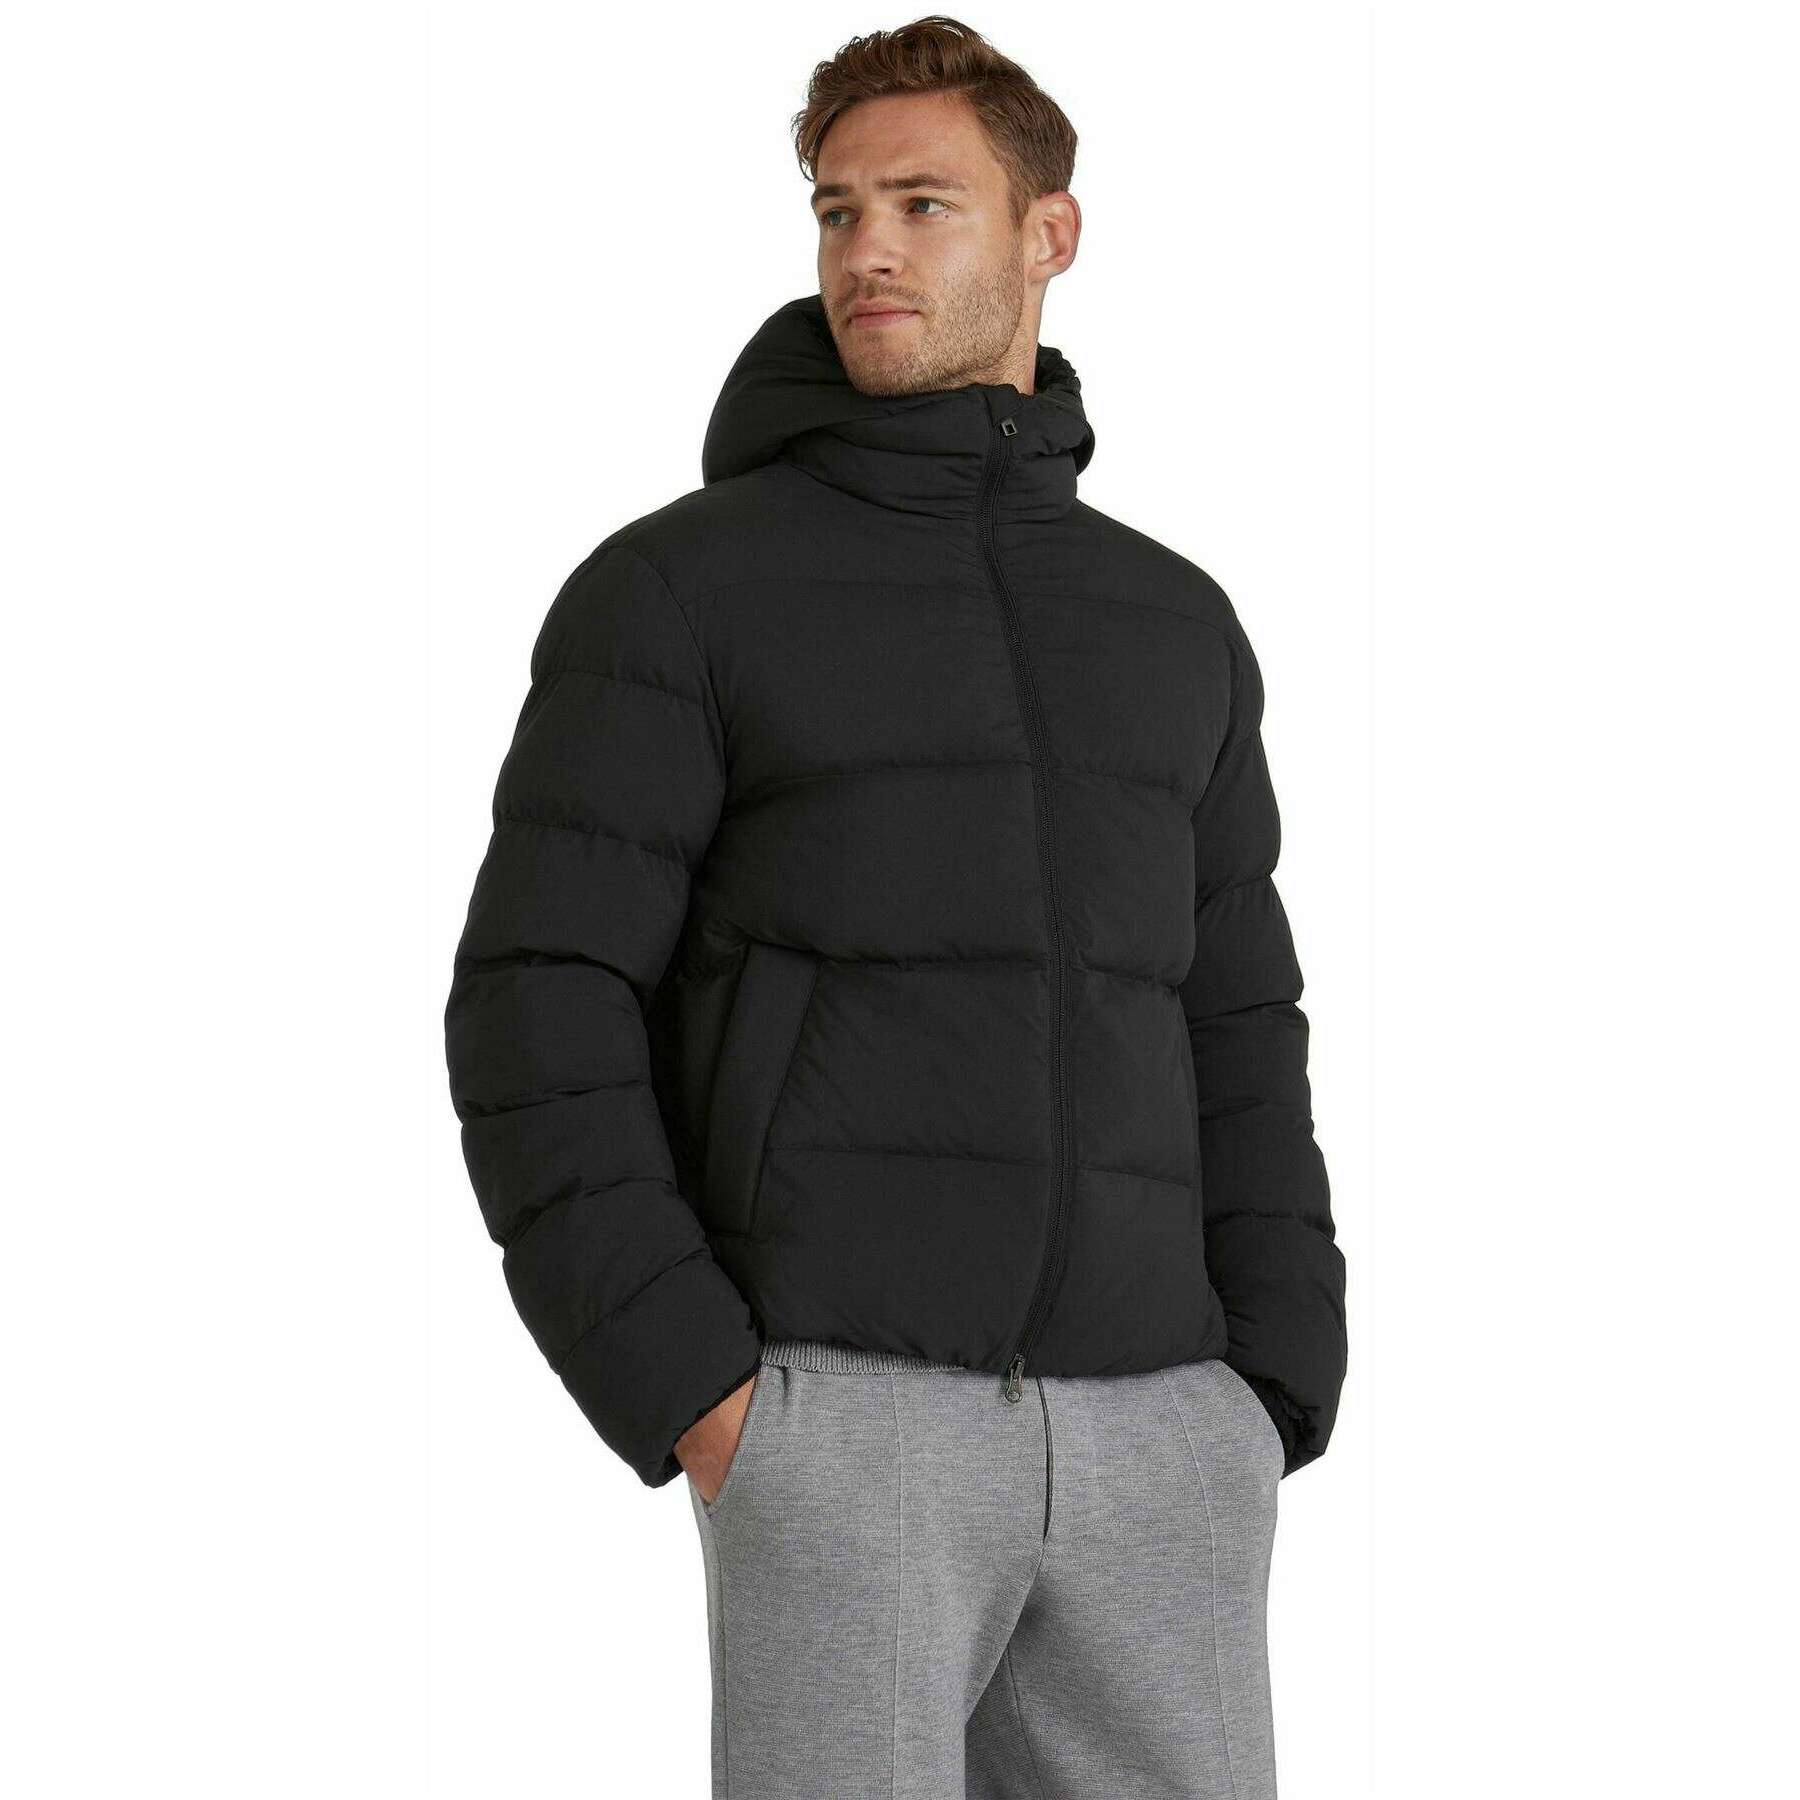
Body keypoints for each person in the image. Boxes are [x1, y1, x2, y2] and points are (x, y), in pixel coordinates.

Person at [445, 15, 1347, 1796]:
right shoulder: (681, 593)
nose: (868, 248)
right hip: (840, 1426)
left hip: (1166, 1435)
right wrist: (702, 1393)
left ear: (1049, 233)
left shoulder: (1172, 622)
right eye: (838, 208)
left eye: (925, 204)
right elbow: (538, 997)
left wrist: (1268, 1388)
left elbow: (1239, 1020)